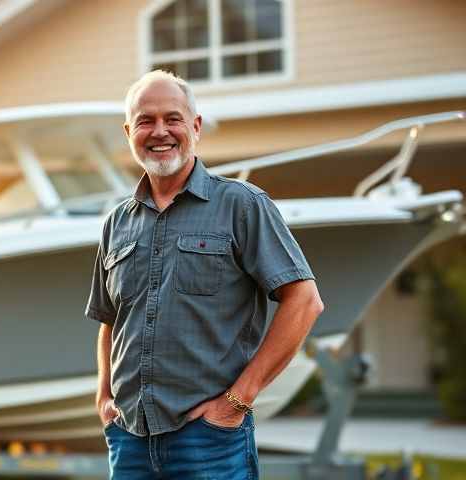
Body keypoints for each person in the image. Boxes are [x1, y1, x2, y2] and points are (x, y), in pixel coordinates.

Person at [84, 70, 325, 479]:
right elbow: (110, 320)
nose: (159, 131)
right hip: (128, 439)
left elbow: (304, 301)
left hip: (208, 440)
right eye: (145, 120)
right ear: (129, 132)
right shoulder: (116, 224)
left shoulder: (242, 205)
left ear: (195, 126)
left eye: (172, 118)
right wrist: (104, 395)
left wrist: (236, 402)